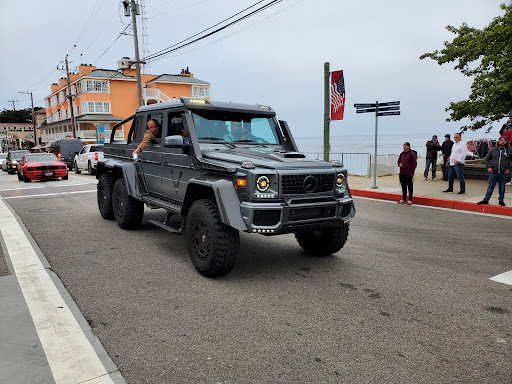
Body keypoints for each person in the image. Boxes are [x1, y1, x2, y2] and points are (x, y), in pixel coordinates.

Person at [477, 136, 512, 206]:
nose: (502, 142)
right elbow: (486, 159)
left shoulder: (509, 150)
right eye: (501, 140)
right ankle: (486, 200)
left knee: (502, 187)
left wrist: (509, 169)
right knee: (491, 186)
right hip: (493, 172)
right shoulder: (493, 150)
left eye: (504, 140)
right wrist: (488, 167)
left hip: (503, 173)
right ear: (498, 141)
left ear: (506, 142)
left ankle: (501, 200)